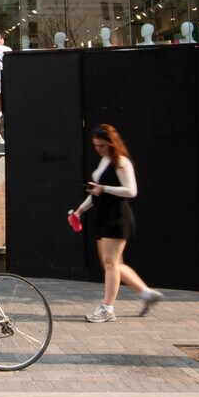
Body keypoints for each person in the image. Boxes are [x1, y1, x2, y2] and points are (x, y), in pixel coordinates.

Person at [70, 124, 163, 322]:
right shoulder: (105, 160)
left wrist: (103, 188)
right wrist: (80, 210)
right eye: (95, 146)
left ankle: (107, 308)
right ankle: (147, 294)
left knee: (110, 262)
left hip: (117, 217)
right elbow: (97, 192)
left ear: (111, 143)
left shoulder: (121, 162)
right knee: (113, 263)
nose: (98, 149)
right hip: (103, 215)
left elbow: (131, 191)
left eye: (102, 146)